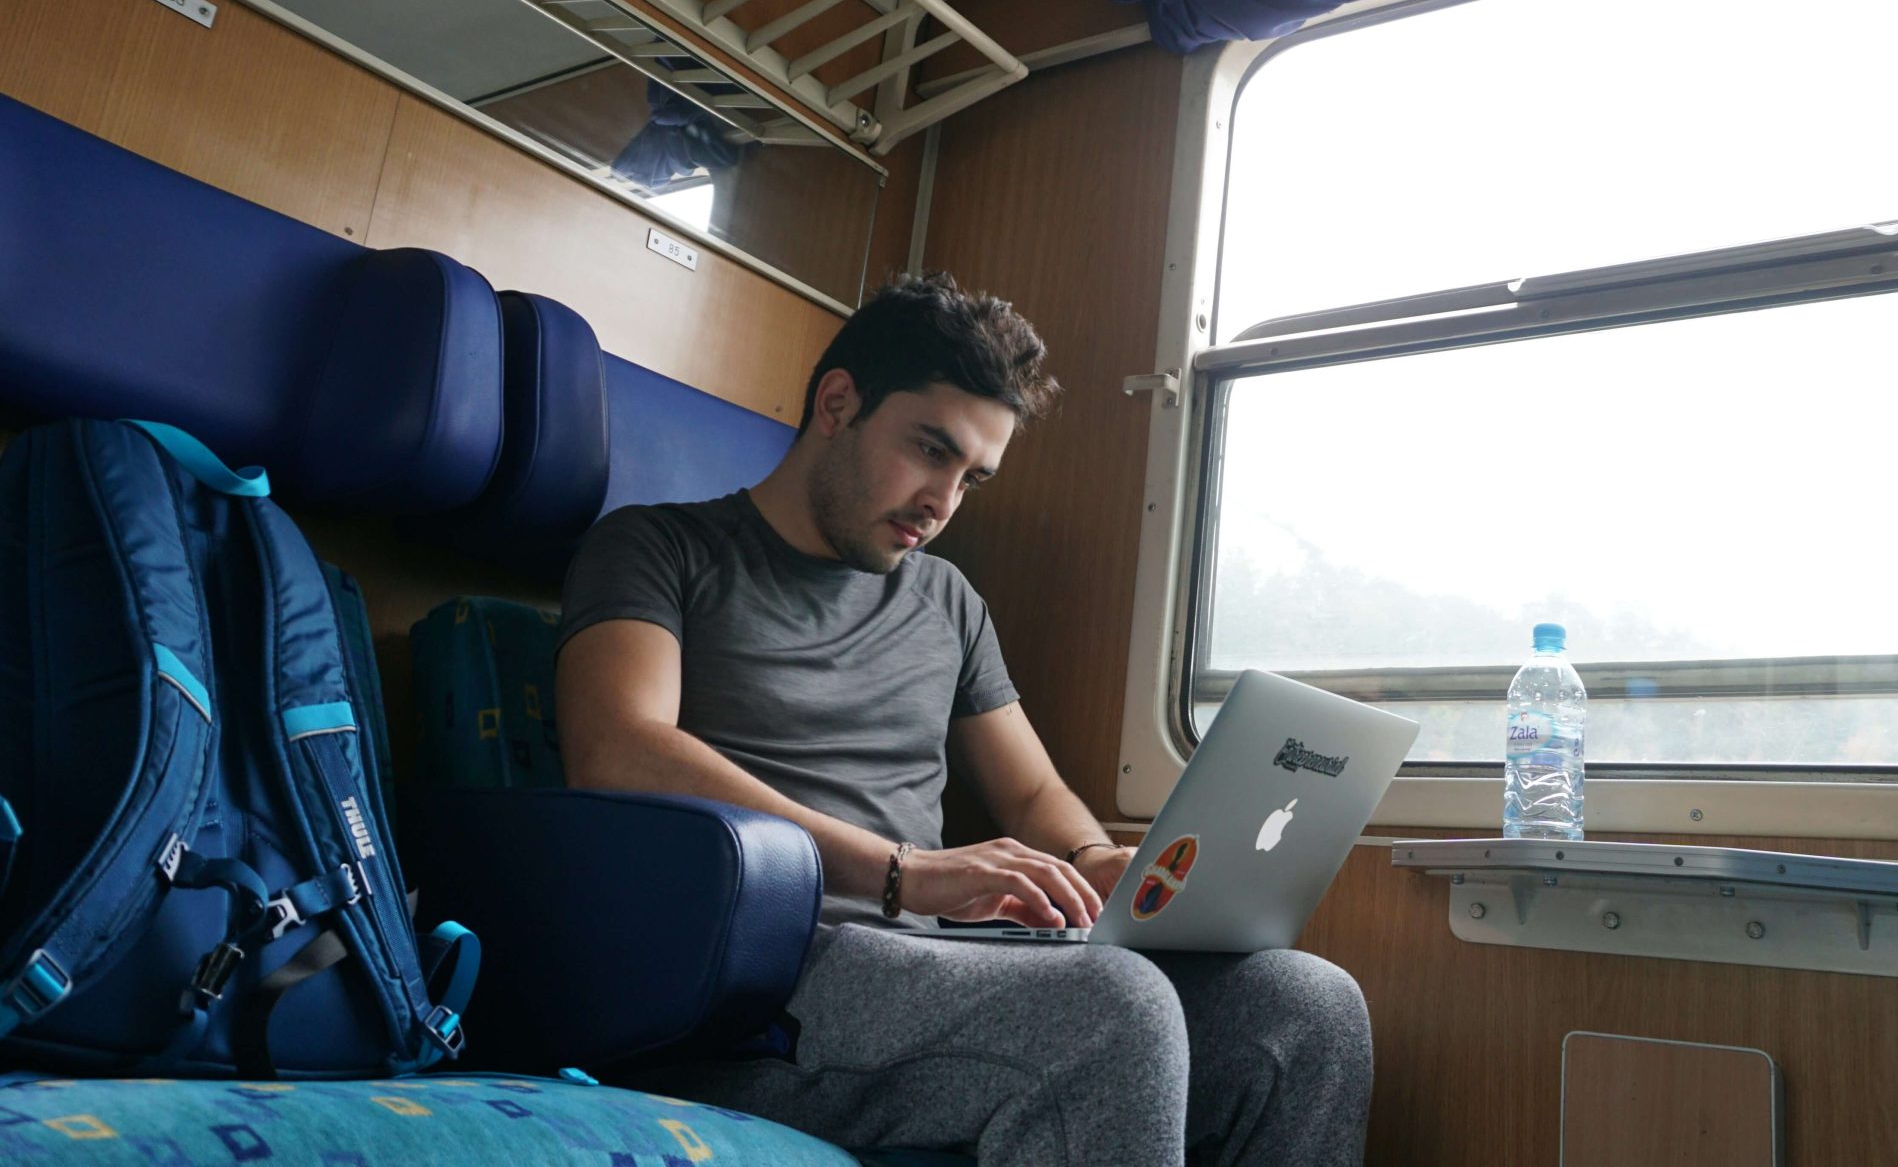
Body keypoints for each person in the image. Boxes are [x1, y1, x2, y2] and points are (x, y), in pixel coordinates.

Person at [554, 272, 1373, 1166]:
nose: (943, 502)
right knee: (1113, 1008)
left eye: (971, 477)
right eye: (929, 450)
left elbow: (1031, 793)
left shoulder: (947, 599)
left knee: (1303, 1007)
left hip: (931, 963)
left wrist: (1096, 862)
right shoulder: (657, 548)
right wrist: (903, 873)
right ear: (838, 404)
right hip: (767, 972)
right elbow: (619, 748)